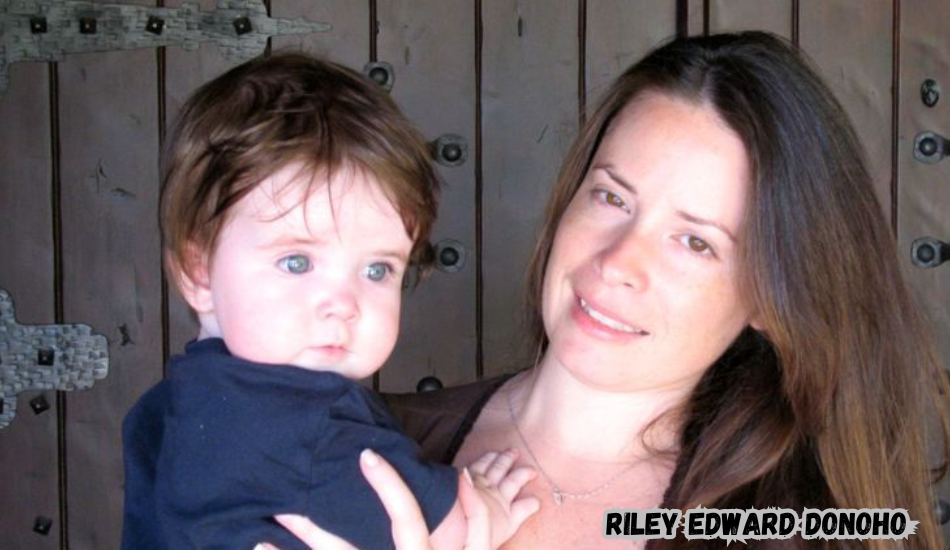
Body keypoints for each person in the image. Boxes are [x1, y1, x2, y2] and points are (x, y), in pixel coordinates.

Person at [281, 31, 950, 549]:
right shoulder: (339, 446)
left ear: (773, 300)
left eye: (696, 242)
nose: (619, 261)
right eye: (611, 198)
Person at [120, 52, 538, 550]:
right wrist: (486, 502)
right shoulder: (310, 428)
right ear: (199, 272)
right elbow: (451, 530)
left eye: (377, 269)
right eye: (297, 261)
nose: (345, 303)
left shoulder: (166, 408)